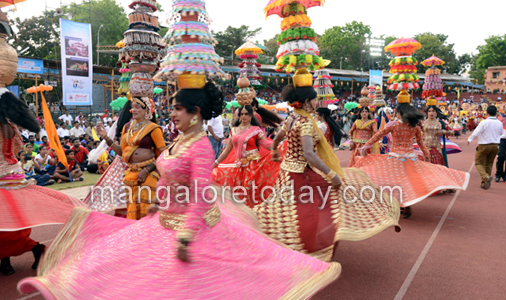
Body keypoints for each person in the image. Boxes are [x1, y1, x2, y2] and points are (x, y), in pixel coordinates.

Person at [18, 77, 341, 299]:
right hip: (163, 222)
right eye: (170, 107)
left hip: (194, 231)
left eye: (176, 108)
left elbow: (201, 193)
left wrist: (186, 235)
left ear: (195, 113)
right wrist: (161, 202)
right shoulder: (179, 139)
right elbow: (174, 178)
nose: (170, 112)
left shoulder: (199, 145)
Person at [254, 69, 400, 261]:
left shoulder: (292, 118)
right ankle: (311, 245)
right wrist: (331, 174)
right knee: (319, 205)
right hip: (300, 174)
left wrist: (274, 150)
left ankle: (287, 241)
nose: (317, 103)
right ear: (306, 102)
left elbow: (279, 136)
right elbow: (308, 154)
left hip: (286, 171)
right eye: (314, 100)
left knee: (288, 208)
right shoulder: (305, 123)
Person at [0, 29, 83, 275]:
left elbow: (14, 145)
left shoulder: (7, 123)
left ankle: (32, 249)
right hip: (11, 172)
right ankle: (7, 258)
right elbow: (16, 146)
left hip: (7, 179)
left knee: (8, 225)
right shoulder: (11, 122)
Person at [355, 91, 470, 217]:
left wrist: (367, 146)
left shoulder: (394, 125)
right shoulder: (414, 127)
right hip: (410, 158)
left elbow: (378, 135)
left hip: (395, 158)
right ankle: (407, 205)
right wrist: (426, 155)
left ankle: (399, 206)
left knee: (394, 182)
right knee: (408, 182)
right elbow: (421, 143)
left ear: (399, 113)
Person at [96, 95, 166, 220]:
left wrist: (148, 169)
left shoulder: (153, 129)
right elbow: (123, 153)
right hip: (131, 173)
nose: (133, 110)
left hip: (149, 173)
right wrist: (106, 137)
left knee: (147, 208)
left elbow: (163, 153)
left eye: (138, 107)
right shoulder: (127, 127)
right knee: (133, 209)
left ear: (147, 111)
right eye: (132, 107)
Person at [423, 98, 455, 166]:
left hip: (436, 150)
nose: (431, 113)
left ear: (436, 112)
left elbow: (452, 132)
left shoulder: (441, 123)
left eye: (433, 111)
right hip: (424, 150)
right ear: (427, 113)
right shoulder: (422, 123)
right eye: (429, 111)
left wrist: (442, 131)